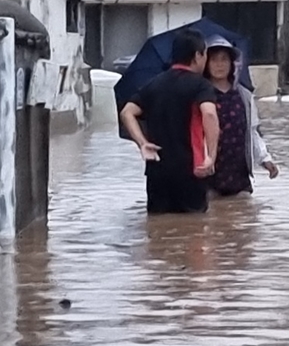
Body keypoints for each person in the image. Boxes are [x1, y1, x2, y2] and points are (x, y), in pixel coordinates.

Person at [119, 28, 220, 214]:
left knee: (158, 230)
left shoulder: (153, 84)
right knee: (194, 231)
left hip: (157, 172)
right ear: (198, 55)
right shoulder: (201, 85)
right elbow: (210, 114)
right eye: (205, 53)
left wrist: (142, 143)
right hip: (191, 171)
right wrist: (211, 156)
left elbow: (127, 112)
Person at [202, 35, 279, 197]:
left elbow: (252, 131)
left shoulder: (244, 95)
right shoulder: (200, 94)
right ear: (206, 64)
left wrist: (265, 159)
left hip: (239, 173)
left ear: (232, 64)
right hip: (209, 173)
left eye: (224, 59)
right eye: (214, 60)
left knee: (243, 213)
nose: (219, 65)